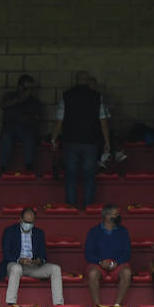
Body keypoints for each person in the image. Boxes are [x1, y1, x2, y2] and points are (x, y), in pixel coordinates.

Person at [51, 71, 111, 210]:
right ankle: (88, 206)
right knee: (89, 176)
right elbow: (103, 122)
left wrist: (53, 138)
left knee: (70, 175)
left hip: (70, 141)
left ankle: (71, 206)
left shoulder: (67, 96)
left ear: (76, 80)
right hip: (90, 142)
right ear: (87, 80)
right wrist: (107, 142)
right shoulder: (96, 97)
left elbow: (59, 121)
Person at [0, 207, 64, 307]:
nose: (28, 225)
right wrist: (19, 260)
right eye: (26, 222)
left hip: (32, 266)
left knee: (56, 268)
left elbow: (43, 255)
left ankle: (59, 304)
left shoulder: (39, 233)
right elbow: (6, 253)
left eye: (31, 222)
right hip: (14, 264)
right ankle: (11, 303)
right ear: (20, 219)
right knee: (16, 268)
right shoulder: (10, 231)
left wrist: (39, 261)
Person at [84, 204, 133, 307]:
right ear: (107, 216)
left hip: (118, 263)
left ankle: (117, 305)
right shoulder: (94, 232)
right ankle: (97, 305)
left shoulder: (123, 231)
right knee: (92, 274)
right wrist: (100, 262)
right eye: (116, 214)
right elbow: (88, 253)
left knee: (127, 273)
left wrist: (117, 262)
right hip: (99, 263)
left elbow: (127, 252)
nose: (118, 216)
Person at [0, 75, 43, 174]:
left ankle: (29, 166)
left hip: (26, 129)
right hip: (9, 129)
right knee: (6, 137)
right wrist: (19, 100)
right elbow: (3, 105)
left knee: (30, 136)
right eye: (27, 88)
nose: (29, 91)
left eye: (31, 89)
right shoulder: (9, 96)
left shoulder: (34, 101)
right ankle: (3, 168)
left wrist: (28, 118)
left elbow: (38, 118)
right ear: (20, 87)